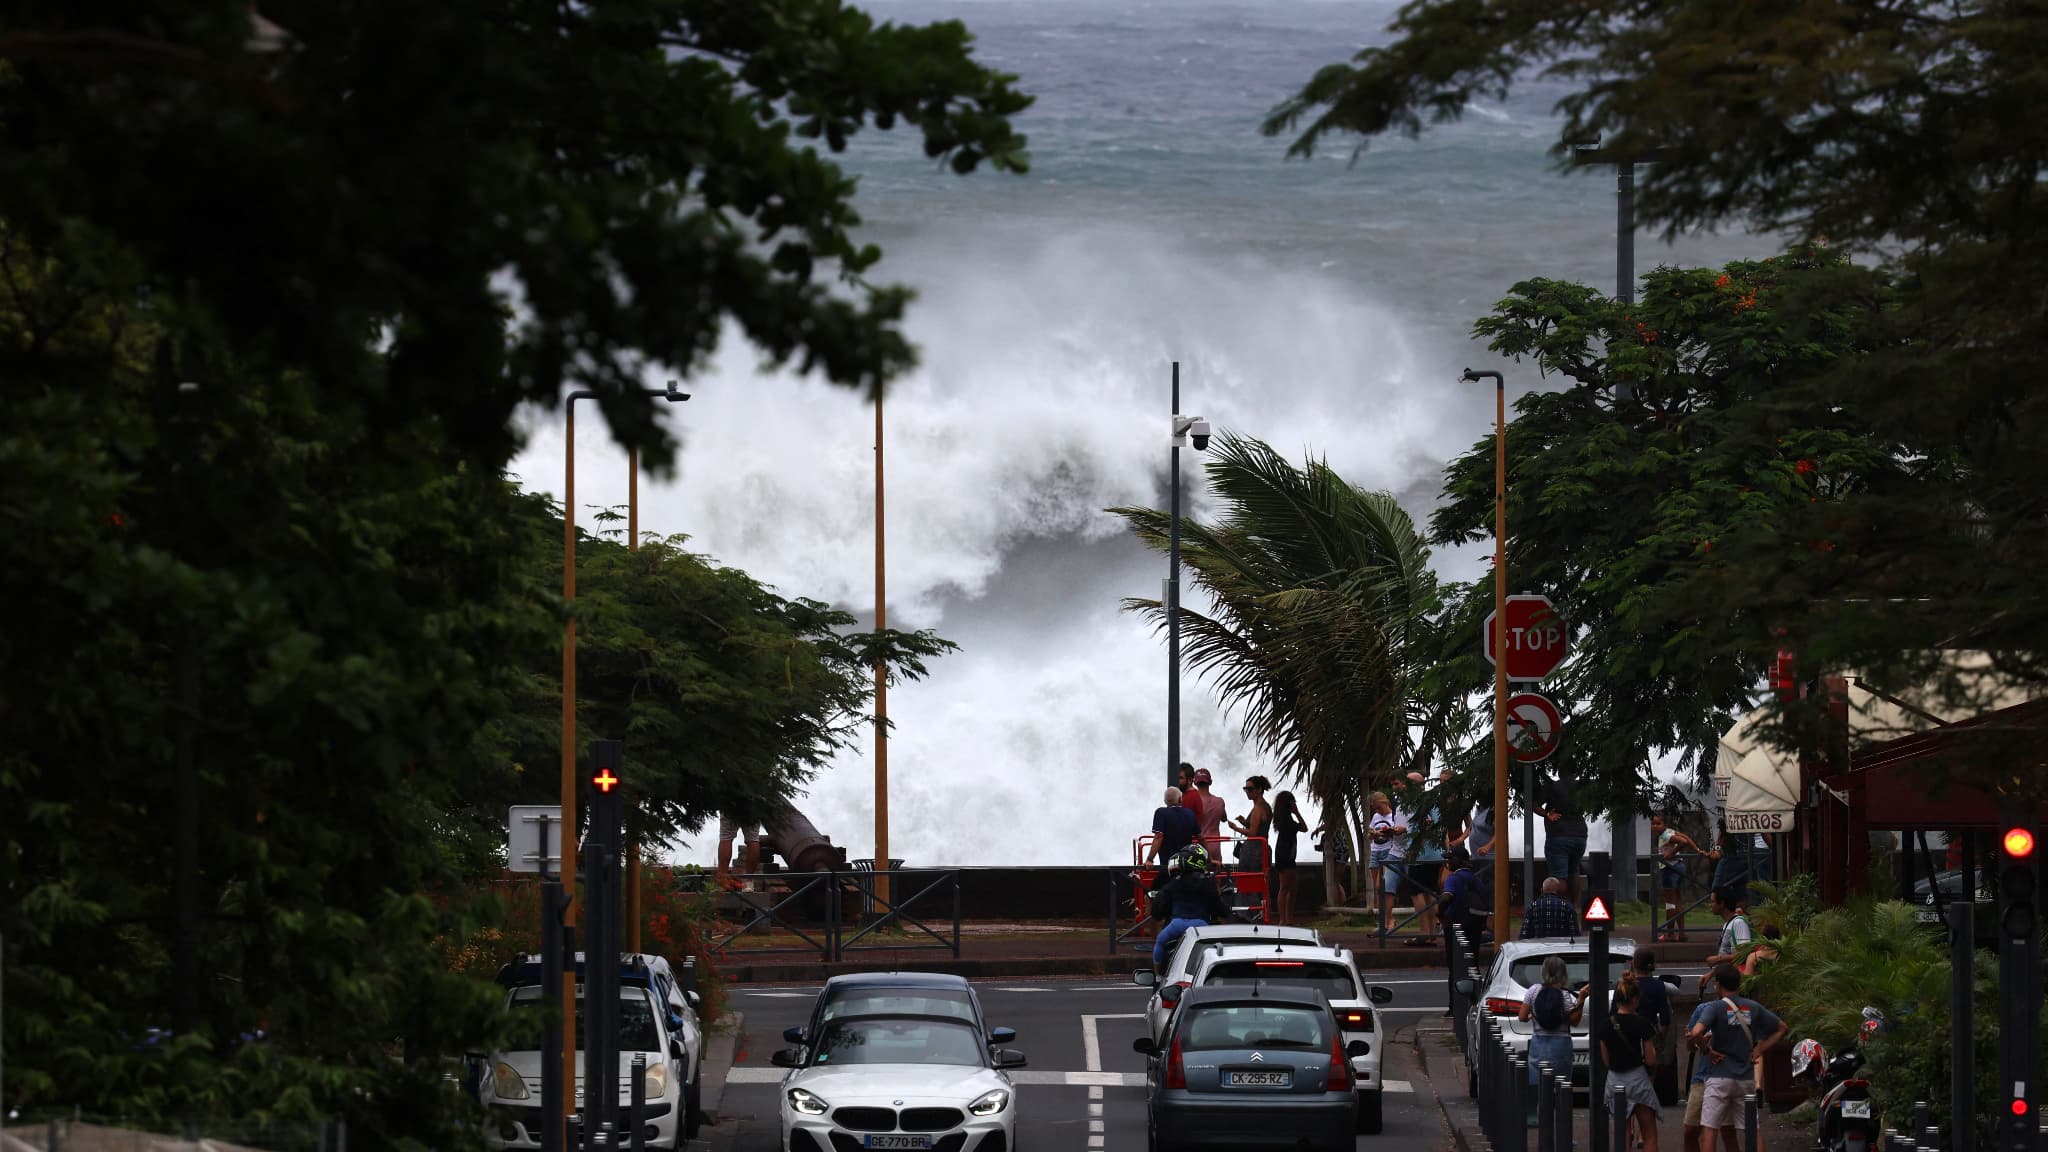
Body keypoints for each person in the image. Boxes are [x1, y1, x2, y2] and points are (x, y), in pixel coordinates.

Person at [1687, 963, 1788, 1152]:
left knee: (1710, 1130)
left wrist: (1708, 1051)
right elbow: (1782, 1027)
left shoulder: (1716, 1008)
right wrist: (1760, 1048)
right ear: (1739, 984)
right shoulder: (1753, 1007)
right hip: (1745, 1077)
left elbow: (1696, 1032)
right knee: (1752, 1130)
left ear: (1717, 985)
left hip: (1719, 1076)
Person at [1518, 954, 1585, 1122]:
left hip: (1538, 1044)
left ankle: (1543, 1130)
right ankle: (1564, 1135)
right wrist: (1581, 1000)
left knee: (1541, 1091)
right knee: (1562, 1090)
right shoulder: (1565, 996)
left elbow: (1521, 1016)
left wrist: (1531, 1016)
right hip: (1561, 1045)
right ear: (1563, 974)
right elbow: (1575, 1021)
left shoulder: (1533, 991)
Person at [1603, 970, 1664, 1152]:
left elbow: (1606, 1060)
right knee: (1649, 1134)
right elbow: (1651, 1059)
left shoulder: (1606, 1025)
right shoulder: (1642, 1024)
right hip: (1638, 1079)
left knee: (1622, 1134)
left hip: (1615, 1080)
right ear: (1636, 999)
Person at [1150, 843, 1230, 966]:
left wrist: (1158, 914)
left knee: (1160, 942)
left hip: (1176, 924)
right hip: (1201, 926)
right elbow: (1218, 907)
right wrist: (1225, 911)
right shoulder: (1207, 882)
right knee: (1218, 948)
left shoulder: (1175, 881)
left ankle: (1157, 977)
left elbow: (1158, 907)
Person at [1651, 812, 1714, 941]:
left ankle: (1669, 934)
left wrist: (1671, 852)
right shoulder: (1670, 831)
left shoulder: (1666, 835)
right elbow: (1687, 837)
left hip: (1669, 868)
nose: (1655, 826)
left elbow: (1683, 841)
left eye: (1658, 823)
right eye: (1653, 824)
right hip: (1679, 866)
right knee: (1678, 901)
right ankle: (1681, 933)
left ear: (1665, 824)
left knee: (1670, 902)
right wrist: (1697, 849)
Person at [1403, 778, 1448, 947]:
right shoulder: (1432, 802)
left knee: (1417, 894)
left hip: (1422, 855)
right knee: (1429, 895)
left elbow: (1428, 824)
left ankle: (1424, 933)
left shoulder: (1419, 802)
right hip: (1434, 854)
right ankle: (1430, 934)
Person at [1632, 947, 1677, 1104]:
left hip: (1629, 1030)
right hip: (1650, 1031)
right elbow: (1665, 1019)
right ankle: (1645, 1097)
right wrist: (1660, 1038)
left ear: (1634, 964)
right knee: (1651, 1068)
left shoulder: (1625, 985)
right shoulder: (1658, 986)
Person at [1535, 773, 1590, 900]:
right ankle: (1574, 907)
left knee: (1559, 876)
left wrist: (1547, 814)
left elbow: (1535, 805)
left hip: (1558, 835)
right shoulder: (1581, 787)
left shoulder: (1553, 787)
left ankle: (1561, 907)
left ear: (1559, 771)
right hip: (1580, 835)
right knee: (1574, 872)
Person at [1367, 791, 1407, 926]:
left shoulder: (1394, 815)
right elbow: (1369, 833)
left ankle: (1388, 918)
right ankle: (1383, 919)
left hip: (1388, 850)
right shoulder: (1376, 816)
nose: (1378, 811)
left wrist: (1388, 832)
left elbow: (1398, 833)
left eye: (1379, 807)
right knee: (1378, 889)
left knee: (1383, 885)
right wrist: (1373, 834)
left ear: (1386, 803)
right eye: (1375, 809)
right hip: (1375, 851)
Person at [1269, 789, 1308, 925]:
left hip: (1285, 855)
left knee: (1291, 888)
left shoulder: (1283, 819)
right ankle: (1283, 919)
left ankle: (1287, 919)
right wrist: (1297, 813)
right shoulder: (1287, 820)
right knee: (1285, 887)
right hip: (1285, 856)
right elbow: (1304, 828)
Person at [1702, 886, 1754, 977]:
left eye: (1712, 901)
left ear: (1721, 903)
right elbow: (1729, 956)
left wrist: (1718, 959)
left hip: (1737, 981)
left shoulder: (1738, 923)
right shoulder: (1728, 924)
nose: (1710, 905)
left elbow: (1744, 953)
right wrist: (1710, 975)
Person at [1230, 775, 1273, 873]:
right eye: (1245, 789)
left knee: (1248, 884)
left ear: (1259, 789)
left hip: (1253, 853)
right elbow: (1260, 828)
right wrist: (1245, 822)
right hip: (1263, 850)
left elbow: (1253, 833)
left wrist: (1235, 827)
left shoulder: (1258, 808)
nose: (1247, 792)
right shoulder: (1266, 806)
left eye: (1250, 789)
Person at [1149, 786, 1200, 865]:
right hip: (1186, 864)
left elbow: (1158, 837)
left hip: (1167, 865)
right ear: (1180, 799)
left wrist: (1150, 859)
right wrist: (1210, 859)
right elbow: (1201, 838)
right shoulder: (1190, 813)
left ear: (1165, 801)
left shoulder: (1161, 813)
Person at [1190, 768, 1228, 859]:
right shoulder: (1219, 801)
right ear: (1210, 782)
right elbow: (1224, 818)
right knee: (1215, 872)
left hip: (1196, 846)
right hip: (1214, 846)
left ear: (1194, 782)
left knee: (1195, 872)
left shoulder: (1191, 801)